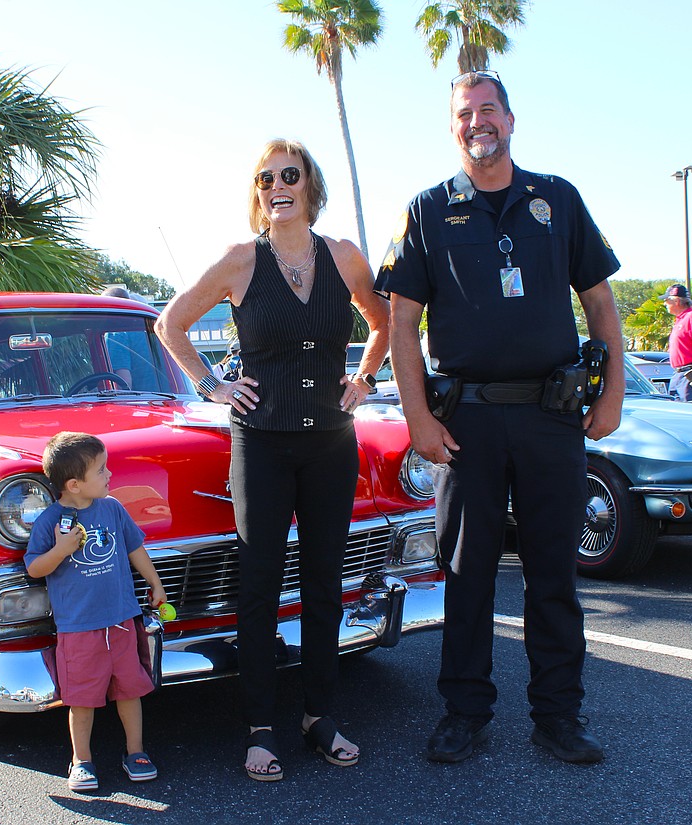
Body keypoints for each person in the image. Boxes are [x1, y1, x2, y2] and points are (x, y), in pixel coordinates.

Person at [376, 70, 624, 765]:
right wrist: (418, 417)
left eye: (488, 110)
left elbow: (600, 303)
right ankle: (464, 712)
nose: (477, 122)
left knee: (554, 573)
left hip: (552, 418)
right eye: (465, 113)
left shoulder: (558, 199)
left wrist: (612, 395)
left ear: (510, 121)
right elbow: (401, 323)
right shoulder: (427, 210)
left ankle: (559, 716)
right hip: (467, 425)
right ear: (453, 126)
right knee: (468, 574)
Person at [155, 138, 390, 781]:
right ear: (257, 192)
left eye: (290, 175)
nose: (277, 186)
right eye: (266, 179)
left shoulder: (342, 257)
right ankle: (260, 727)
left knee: (323, 584)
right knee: (258, 586)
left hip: (331, 444)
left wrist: (365, 377)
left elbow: (382, 320)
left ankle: (320, 716)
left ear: (310, 185)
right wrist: (212, 385)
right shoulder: (239, 262)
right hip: (259, 442)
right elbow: (170, 324)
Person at [25, 431, 167, 793]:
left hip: (121, 620)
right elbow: (34, 569)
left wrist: (155, 583)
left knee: (130, 690)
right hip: (78, 628)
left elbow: (135, 549)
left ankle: (136, 752)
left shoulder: (113, 509)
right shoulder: (49, 523)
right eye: (101, 471)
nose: (109, 476)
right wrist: (61, 549)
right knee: (81, 700)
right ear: (74, 484)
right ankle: (81, 761)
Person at [101, 286, 159, 390]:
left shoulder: (116, 335)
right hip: (169, 402)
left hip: (140, 403)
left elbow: (123, 384)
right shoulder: (156, 333)